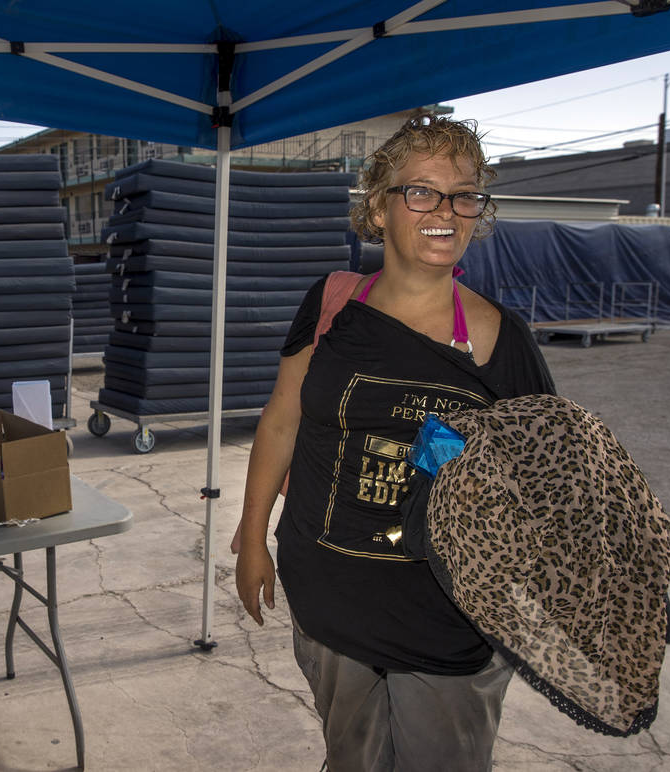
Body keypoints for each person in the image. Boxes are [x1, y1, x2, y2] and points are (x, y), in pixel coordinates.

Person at [234, 114, 555, 772]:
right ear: (378, 209)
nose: (445, 210)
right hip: (329, 599)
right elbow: (281, 421)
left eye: (463, 193)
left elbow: (541, 480)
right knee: (351, 758)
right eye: (421, 191)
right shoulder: (331, 304)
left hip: (448, 614)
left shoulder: (504, 338)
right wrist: (252, 533)